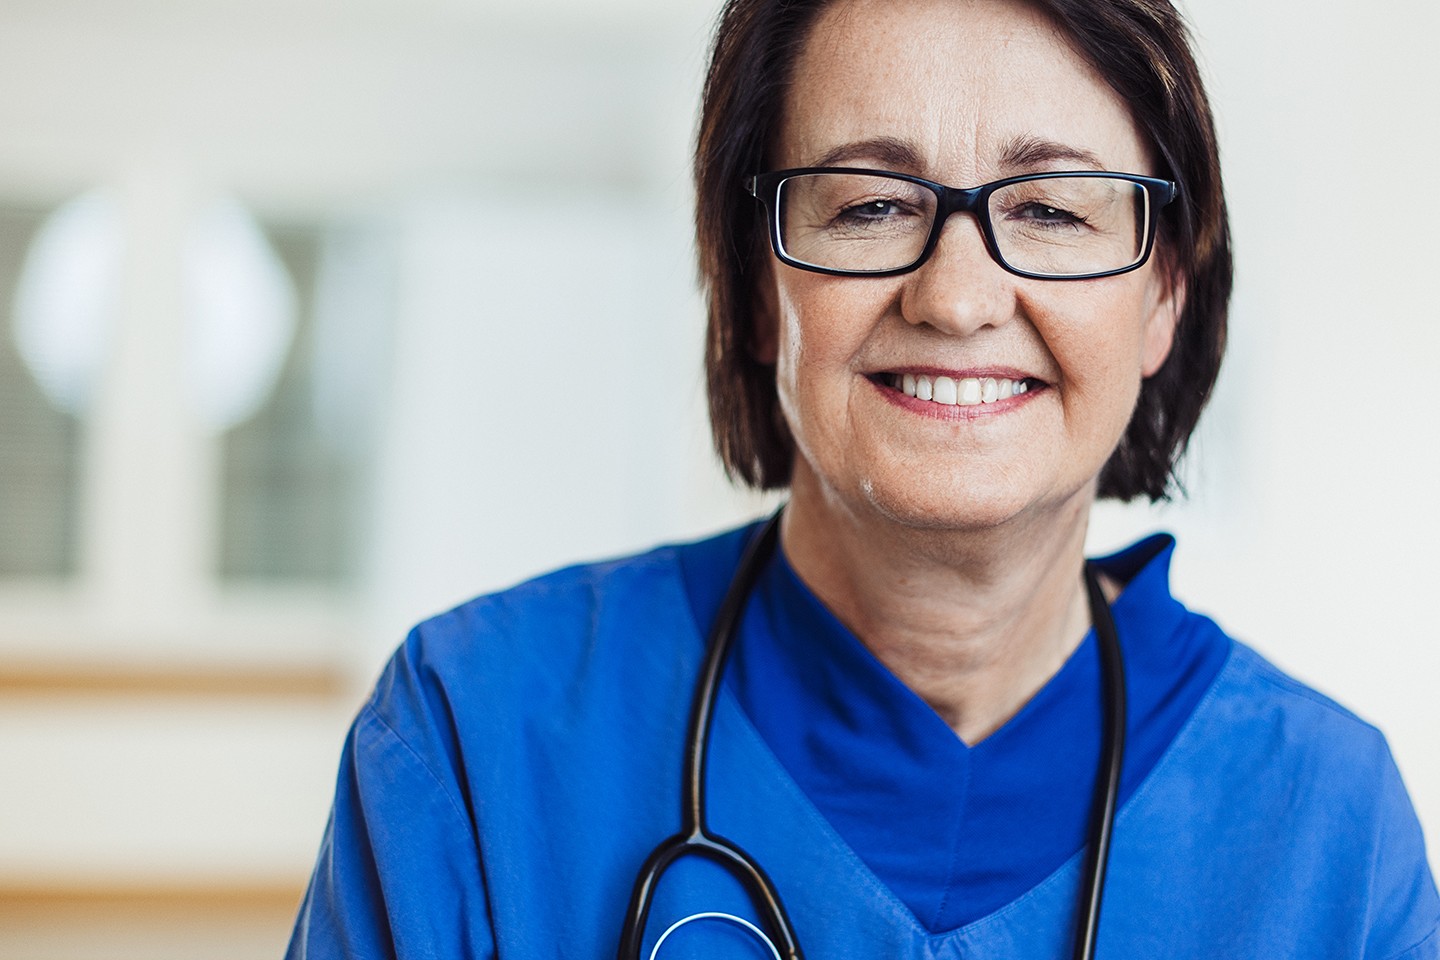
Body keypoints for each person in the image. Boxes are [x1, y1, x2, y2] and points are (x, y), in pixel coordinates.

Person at [286, 0, 1440, 956]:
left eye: (1049, 208)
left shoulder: (1326, 830)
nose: (956, 296)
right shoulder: (478, 738)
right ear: (749, 290)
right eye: (871, 205)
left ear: (1166, 298)